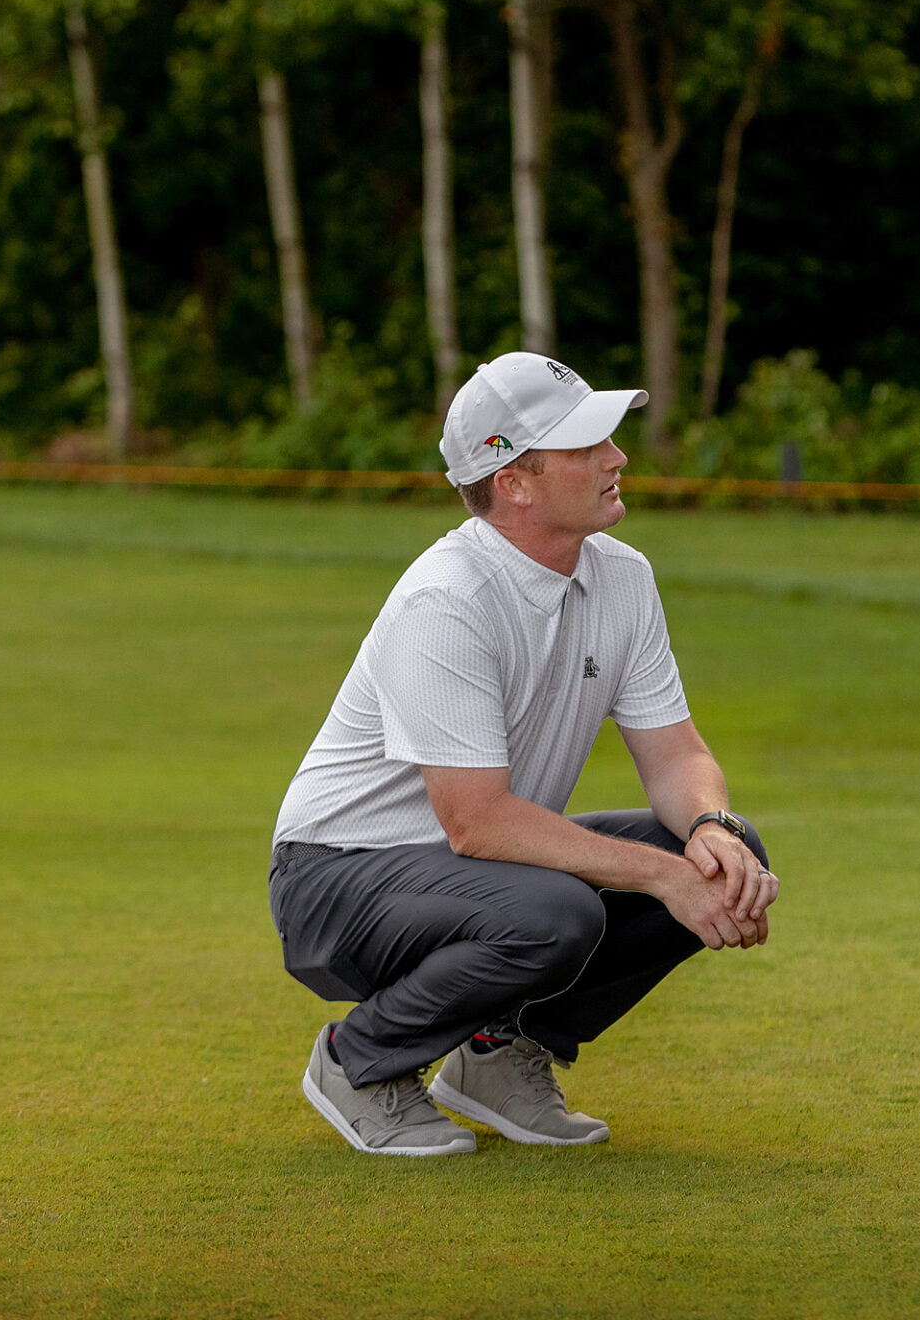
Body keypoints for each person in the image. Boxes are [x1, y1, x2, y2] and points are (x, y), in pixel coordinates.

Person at [268, 352, 778, 1157]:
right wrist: (662, 877)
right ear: (514, 482)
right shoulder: (446, 600)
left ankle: (498, 1056)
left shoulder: (623, 577)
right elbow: (477, 823)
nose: (617, 458)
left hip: (477, 874)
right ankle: (358, 1062)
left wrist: (712, 830)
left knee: (719, 857)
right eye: (587, 446)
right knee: (559, 915)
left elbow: (676, 755)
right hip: (334, 879)